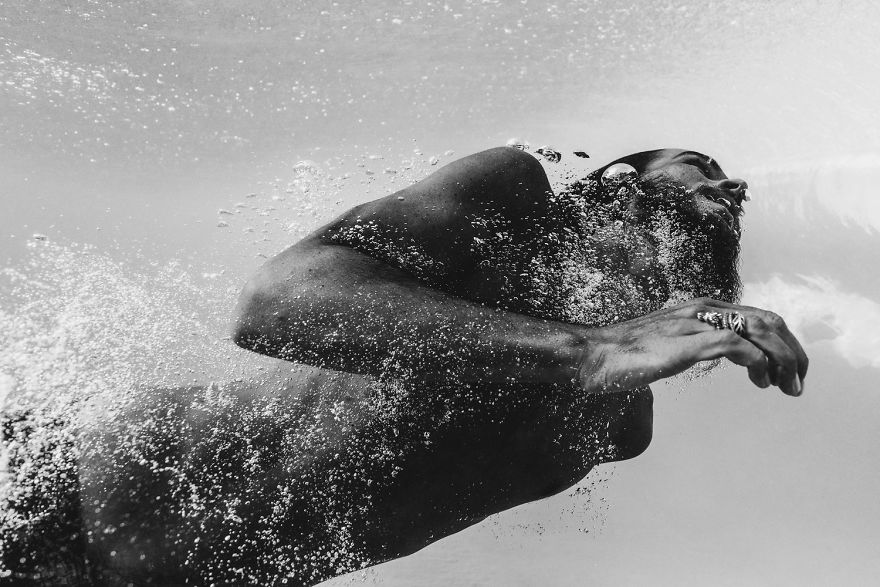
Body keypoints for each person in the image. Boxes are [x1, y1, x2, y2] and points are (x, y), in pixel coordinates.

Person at [0, 147, 808, 586]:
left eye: (730, 186)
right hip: (57, 484)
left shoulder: (620, 427)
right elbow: (272, 305)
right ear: (616, 183)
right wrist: (591, 348)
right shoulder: (511, 205)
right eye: (698, 165)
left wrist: (608, 350)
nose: (730, 185)